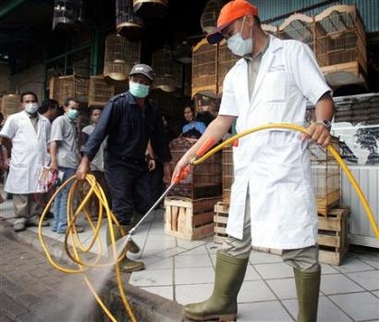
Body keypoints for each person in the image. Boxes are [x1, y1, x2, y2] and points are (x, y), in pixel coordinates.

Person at [171, 1, 334, 321]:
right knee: (235, 237)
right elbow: (221, 123)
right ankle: (223, 303)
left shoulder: (292, 54)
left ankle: (306, 317)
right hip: (248, 170)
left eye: (229, 33)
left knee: (300, 247)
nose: (230, 42)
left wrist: (322, 124)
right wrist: (190, 157)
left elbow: (323, 99)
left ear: (248, 22)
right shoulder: (233, 75)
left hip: (283, 167)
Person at [76, 63, 172, 273]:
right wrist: (85, 161)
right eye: (135, 80)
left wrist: (166, 165)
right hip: (117, 163)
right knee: (122, 207)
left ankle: (124, 236)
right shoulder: (117, 104)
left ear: (150, 85)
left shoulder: (152, 109)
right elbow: (99, 133)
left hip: (139, 163)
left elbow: (159, 138)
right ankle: (117, 258)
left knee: (147, 200)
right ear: (129, 80)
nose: (139, 84)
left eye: (144, 82)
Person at [0, 92, 51, 231]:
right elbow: (4, 137)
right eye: (27, 101)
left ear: (37, 102)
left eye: (33, 101)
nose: (30, 104)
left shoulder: (45, 121)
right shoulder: (14, 119)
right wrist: (13, 151)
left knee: (38, 189)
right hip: (21, 159)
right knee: (20, 190)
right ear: (22, 104)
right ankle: (21, 218)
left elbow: (48, 141)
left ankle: (34, 216)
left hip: (40, 160)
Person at [49, 97, 84, 234]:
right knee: (68, 195)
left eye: (77, 108)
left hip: (70, 162)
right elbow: (53, 142)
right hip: (64, 163)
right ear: (65, 108)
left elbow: (73, 145)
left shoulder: (72, 123)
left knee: (61, 194)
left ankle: (58, 224)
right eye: (72, 108)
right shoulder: (61, 121)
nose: (75, 111)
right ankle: (64, 225)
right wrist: (53, 161)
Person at [80, 107, 111, 219]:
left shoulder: (107, 130)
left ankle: (99, 212)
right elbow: (84, 148)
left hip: (104, 165)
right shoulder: (87, 130)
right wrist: (86, 164)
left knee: (103, 190)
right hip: (92, 164)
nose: (98, 116)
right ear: (91, 117)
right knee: (89, 190)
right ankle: (88, 213)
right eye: (95, 114)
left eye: (100, 114)